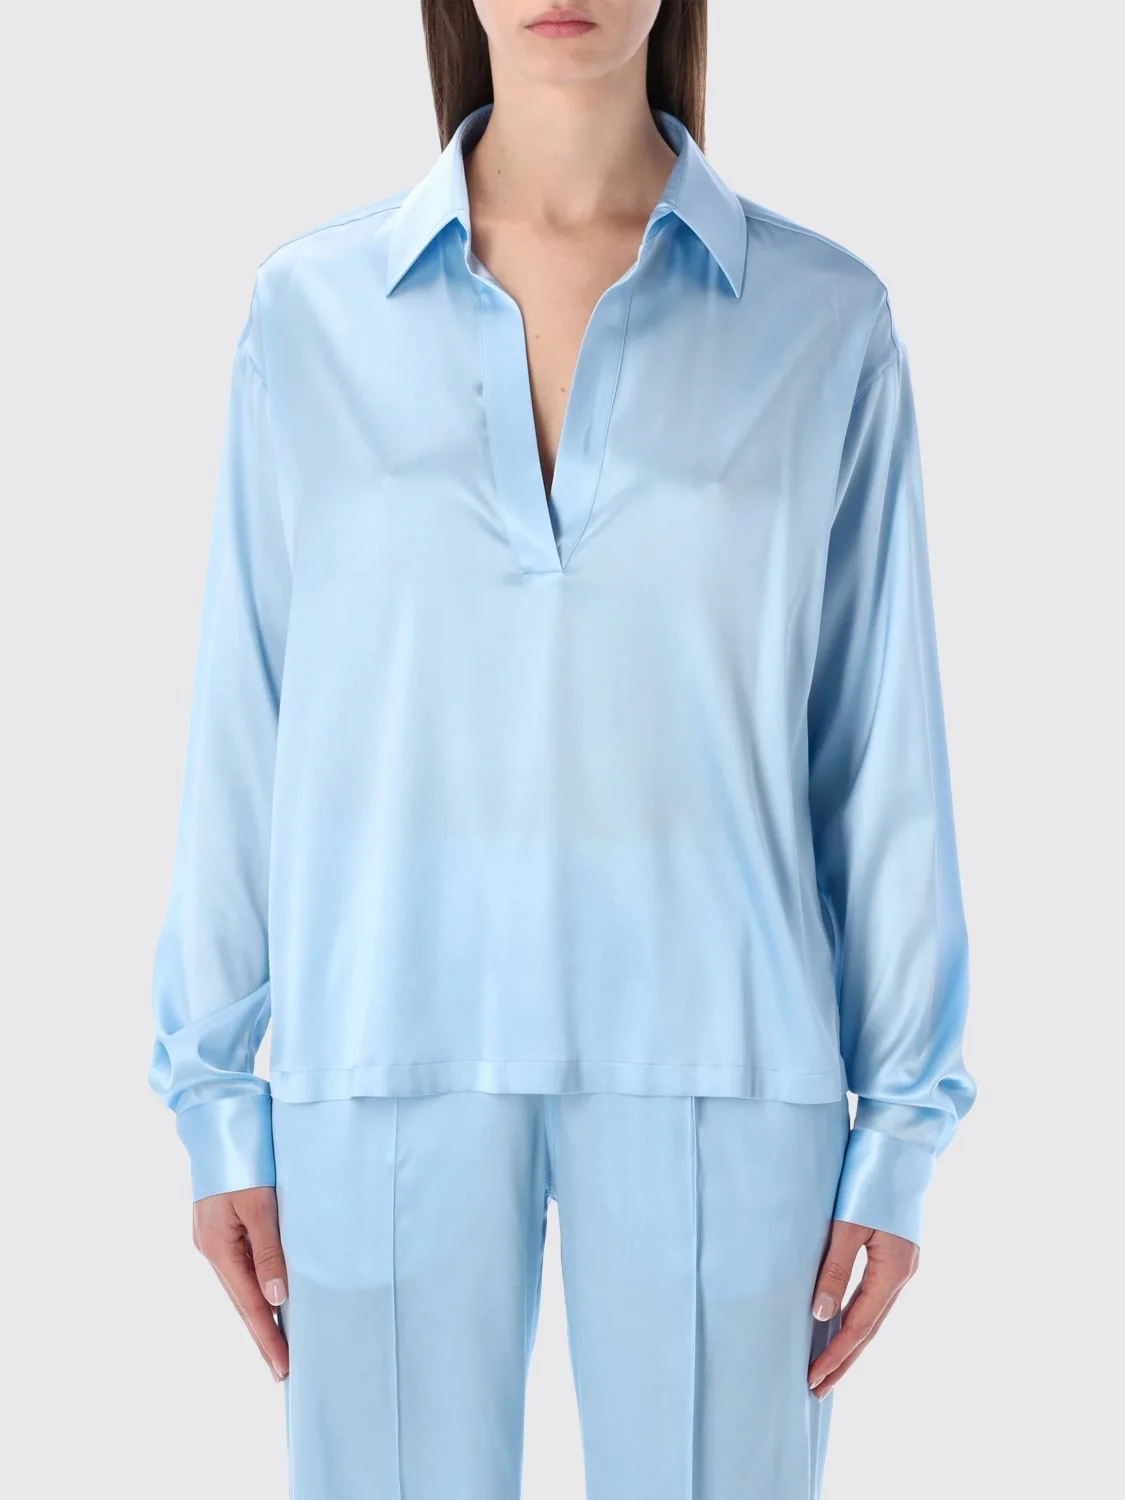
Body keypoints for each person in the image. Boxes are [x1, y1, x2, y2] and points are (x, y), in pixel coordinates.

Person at [149, 2, 977, 1496]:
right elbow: (245, 722)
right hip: (382, 1038)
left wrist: (902, 1131)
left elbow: (880, 756)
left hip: (727, 1045)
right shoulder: (310, 312)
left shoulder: (823, 319)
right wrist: (216, 1101)